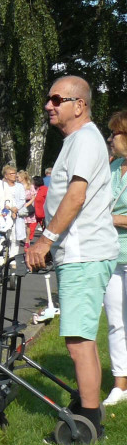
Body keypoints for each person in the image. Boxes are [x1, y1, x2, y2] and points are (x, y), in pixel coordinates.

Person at [26, 75, 118, 443]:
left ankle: (87, 425)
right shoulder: (79, 140)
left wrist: (44, 242)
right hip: (82, 251)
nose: (49, 105)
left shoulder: (84, 139)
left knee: (78, 340)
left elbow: (76, 197)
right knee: (83, 339)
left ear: (78, 105)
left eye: (56, 99)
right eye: (48, 100)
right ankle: (88, 410)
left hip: (83, 253)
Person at [102, 110, 127, 407]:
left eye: (114, 134)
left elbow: (104, 214)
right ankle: (120, 384)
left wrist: (111, 219)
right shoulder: (112, 168)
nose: (109, 139)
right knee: (115, 323)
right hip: (111, 255)